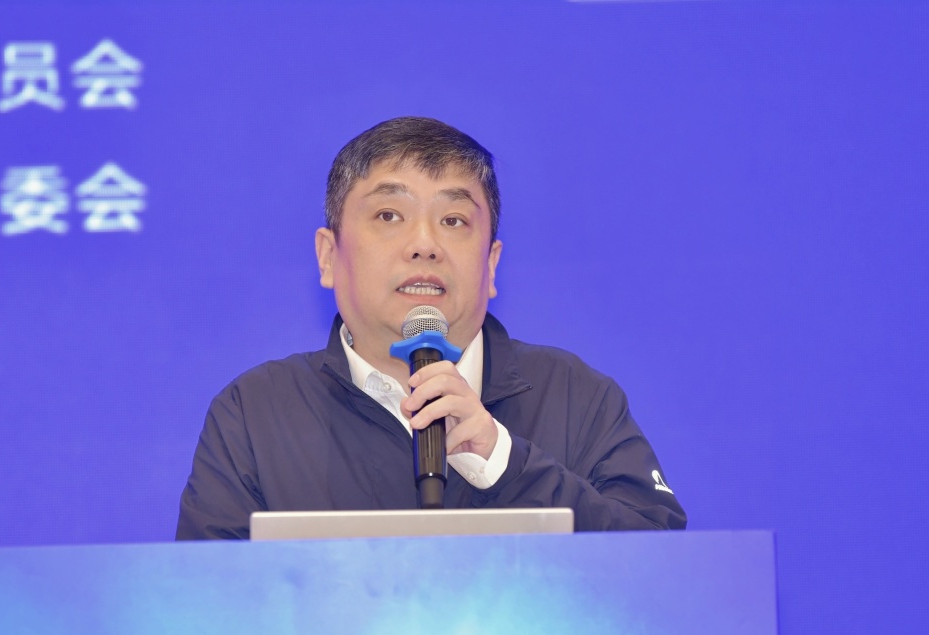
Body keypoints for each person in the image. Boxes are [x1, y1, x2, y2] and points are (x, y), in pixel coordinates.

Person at [176, 117, 685, 540]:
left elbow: (664, 569)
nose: (424, 244)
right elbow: (200, 604)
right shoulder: (255, 413)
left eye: (453, 220)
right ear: (328, 257)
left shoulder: (575, 396)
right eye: (389, 215)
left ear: (491, 265)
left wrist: (502, 461)